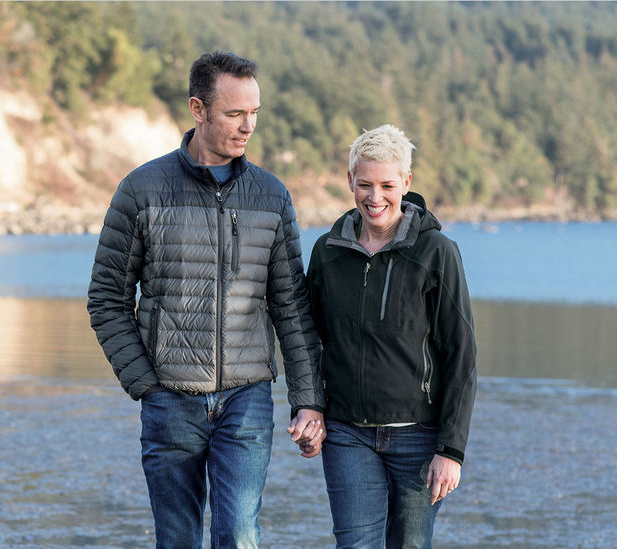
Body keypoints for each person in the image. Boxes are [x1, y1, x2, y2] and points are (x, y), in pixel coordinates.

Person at [86, 50, 325, 548]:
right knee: (177, 539)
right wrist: (146, 384)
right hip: (169, 398)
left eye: (254, 113)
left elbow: (291, 306)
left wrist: (307, 399)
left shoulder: (271, 196)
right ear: (198, 109)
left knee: (239, 534)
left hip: (247, 397)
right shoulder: (142, 190)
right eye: (235, 114)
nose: (248, 127)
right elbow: (107, 299)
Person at [306, 124, 477, 549]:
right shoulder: (328, 252)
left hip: (419, 438)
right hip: (348, 433)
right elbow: (307, 338)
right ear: (349, 181)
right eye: (364, 184)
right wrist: (308, 405)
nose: (374, 197)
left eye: (386, 184)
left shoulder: (437, 252)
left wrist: (451, 450)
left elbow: (461, 355)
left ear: (406, 182)